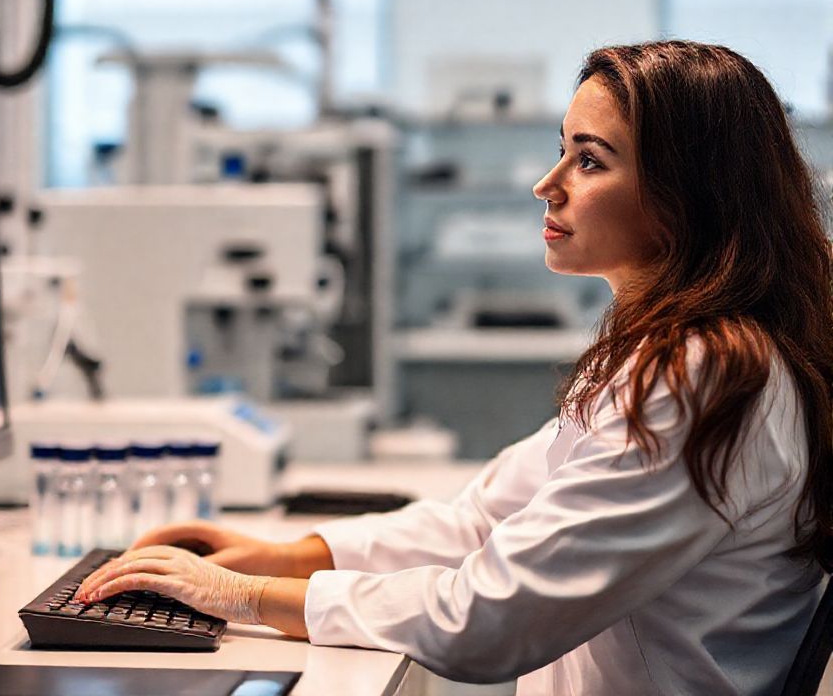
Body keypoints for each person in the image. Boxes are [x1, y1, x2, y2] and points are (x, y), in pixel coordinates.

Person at [76, 41, 833, 695]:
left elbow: (488, 620)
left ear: (687, 197)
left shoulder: (700, 374)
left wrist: (243, 595)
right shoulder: (677, 353)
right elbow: (486, 518)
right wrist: (286, 555)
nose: (549, 182)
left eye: (590, 160)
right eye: (562, 148)